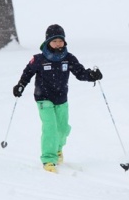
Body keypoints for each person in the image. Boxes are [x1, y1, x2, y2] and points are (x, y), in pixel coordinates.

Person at [12, 24, 103, 173]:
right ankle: (48, 159)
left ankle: (58, 149)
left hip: (61, 98)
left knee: (62, 129)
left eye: (60, 40)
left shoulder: (68, 58)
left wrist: (91, 76)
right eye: (54, 41)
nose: (58, 44)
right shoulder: (39, 59)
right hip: (43, 98)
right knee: (50, 128)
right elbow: (27, 73)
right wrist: (20, 85)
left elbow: (80, 73)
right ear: (48, 42)